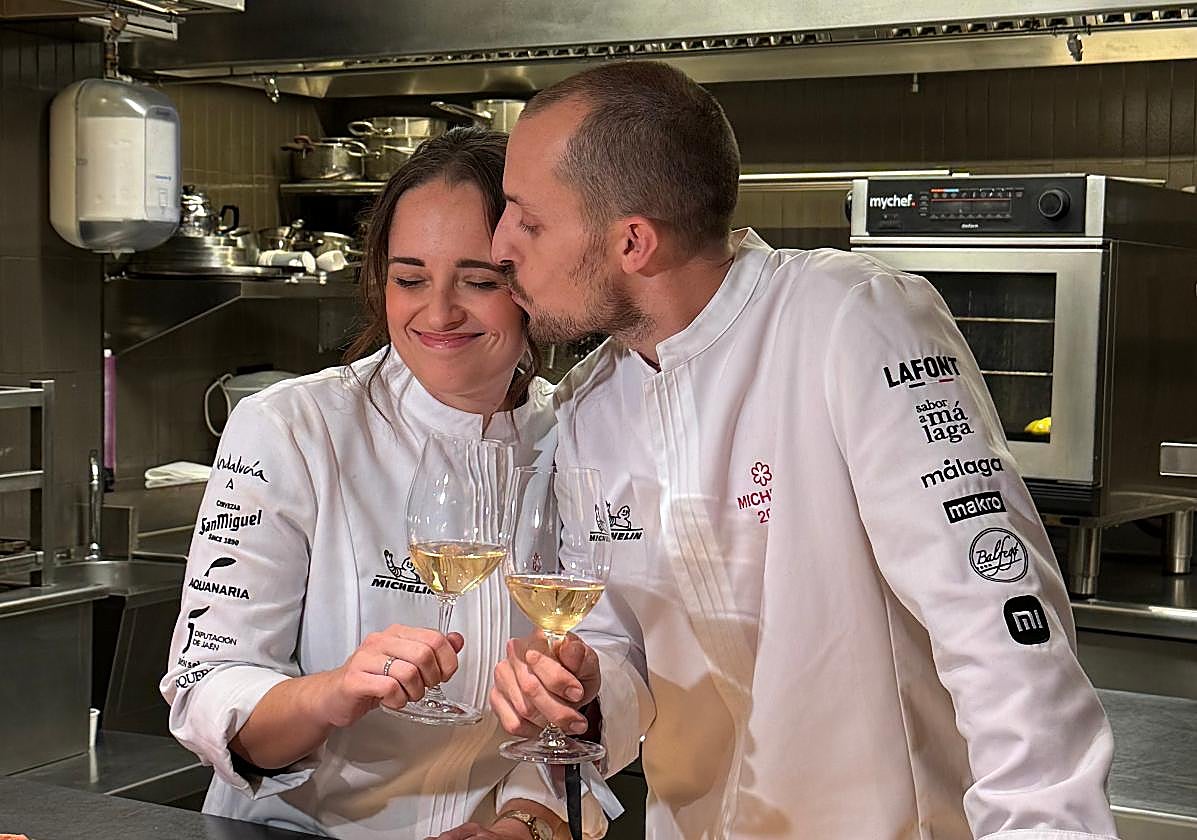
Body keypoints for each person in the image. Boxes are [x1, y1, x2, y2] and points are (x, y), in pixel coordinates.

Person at [488, 62, 1121, 839]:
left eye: (528, 221)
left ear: (632, 241)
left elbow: (997, 625)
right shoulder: (589, 403)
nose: (500, 245)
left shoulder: (849, 320)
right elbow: (620, 642)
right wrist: (588, 688)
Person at [161, 127, 598, 840]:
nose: (439, 312)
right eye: (410, 279)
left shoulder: (577, 436)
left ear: (533, 282)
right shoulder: (291, 428)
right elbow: (206, 686)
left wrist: (526, 823)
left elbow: (597, 692)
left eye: (480, 280)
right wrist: (333, 693)